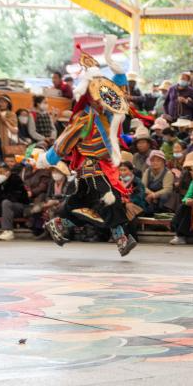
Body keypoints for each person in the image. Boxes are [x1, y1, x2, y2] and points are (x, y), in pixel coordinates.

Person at [43, 46, 138, 257]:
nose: (101, 99)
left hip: (105, 166)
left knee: (87, 205)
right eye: (97, 96)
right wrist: (48, 158)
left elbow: (121, 96)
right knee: (110, 199)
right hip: (92, 167)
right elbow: (64, 141)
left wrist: (119, 73)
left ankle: (60, 223)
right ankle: (121, 238)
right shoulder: (83, 119)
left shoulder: (109, 114)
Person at [142, 150, 175, 215]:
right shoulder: (147, 171)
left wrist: (155, 195)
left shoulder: (168, 173)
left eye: (158, 160)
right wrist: (151, 194)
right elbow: (142, 186)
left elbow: (167, 189)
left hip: (162, 198)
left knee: (164, 196)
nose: (155, 163)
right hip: (149, 196)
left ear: (163, 162)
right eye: (152, 161)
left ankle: (162, 213)